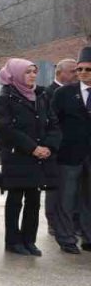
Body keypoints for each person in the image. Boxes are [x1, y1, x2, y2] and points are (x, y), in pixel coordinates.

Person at [0, 58, 60, 256]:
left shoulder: (41, 95)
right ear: (15, 74)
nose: (33, 75)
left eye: (34, 71)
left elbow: (53, 124)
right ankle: (13, 241)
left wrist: (48, 146)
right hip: (18, 156)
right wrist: (32, 147)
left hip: (39, 157)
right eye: (28, 72)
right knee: (16, 199)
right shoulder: (6, 97)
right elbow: (5, 128)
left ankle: (29, 240)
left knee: (34, 200)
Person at [49, 45, 91, 254]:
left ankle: (88, 236)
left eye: (87, 70)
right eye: (79, 69)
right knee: (66, 198)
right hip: (69, 154)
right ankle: (65, 238)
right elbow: (53, 121)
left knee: (88, 198)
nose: (82, 73)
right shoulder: (64, 93)